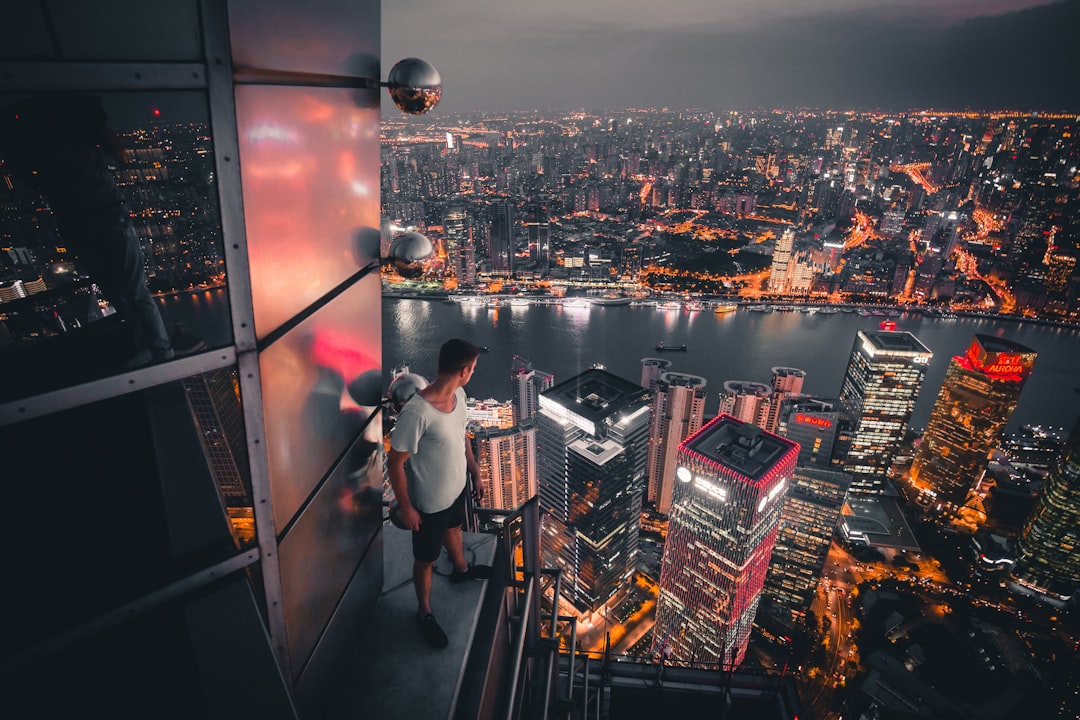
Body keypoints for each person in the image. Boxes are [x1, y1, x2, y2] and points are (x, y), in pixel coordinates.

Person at [0, 93, 175, 367]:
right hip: (103, 212)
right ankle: (155, 348)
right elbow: (119, 155)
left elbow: (25, 174)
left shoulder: (35, 138)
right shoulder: (79, 125)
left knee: (126, 291)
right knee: (129, 291)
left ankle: (157, 350)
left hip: (83, 218)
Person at [387, 338, 491, 649]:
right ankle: (424, 612)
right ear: (463, 370)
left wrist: (474, 472)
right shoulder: (417, 413)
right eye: (472, 369)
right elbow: (395, 463)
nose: (472, 374)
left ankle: (461, 569)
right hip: (428, 503)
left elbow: (462, 438)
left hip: (456, 488)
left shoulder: (459, 395)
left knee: (455, 529)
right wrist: (406, 507)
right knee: (426, 560)